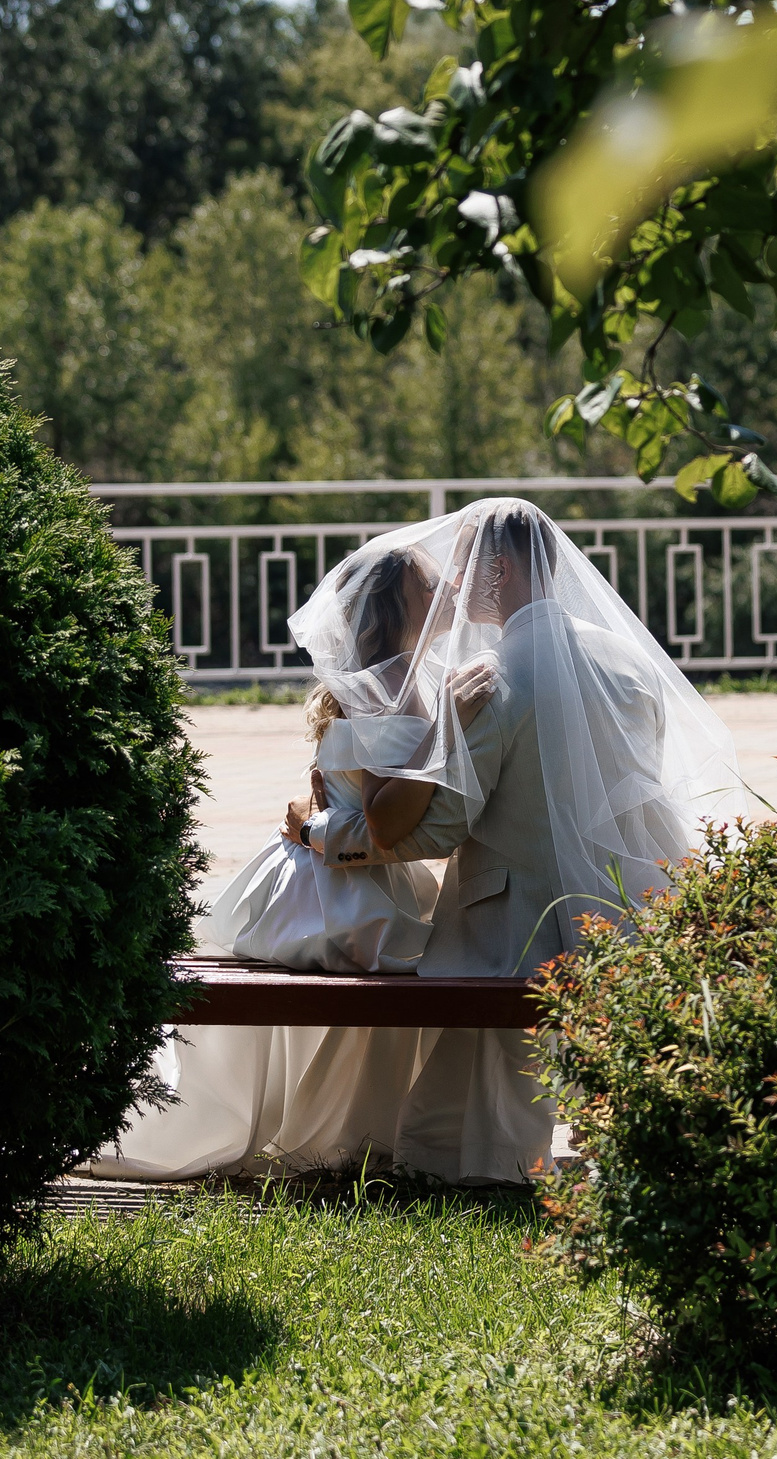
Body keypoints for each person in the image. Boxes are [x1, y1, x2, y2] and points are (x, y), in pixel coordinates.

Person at [285, 499, 744, 1183]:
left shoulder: (494, 679)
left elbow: (433, 833)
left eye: (466, 566)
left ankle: (484, 1173)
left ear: (499, 570)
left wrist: (321, 833)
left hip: (517, 928)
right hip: (633, 912)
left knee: (449, 1130)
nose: (453, 584)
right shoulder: (627, 659)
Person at [82, 546, 468, 1181]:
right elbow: (381, 819)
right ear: (395, 610)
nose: (446, 595)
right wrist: (447, 736)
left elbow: (331, 791)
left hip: (312, 873)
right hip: (338, 891)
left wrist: (309, 819)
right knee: (416, 965)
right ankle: (345, 1138)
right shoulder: (389, 690)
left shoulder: (378, 682)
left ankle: (331, 1128)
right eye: (427, 590)